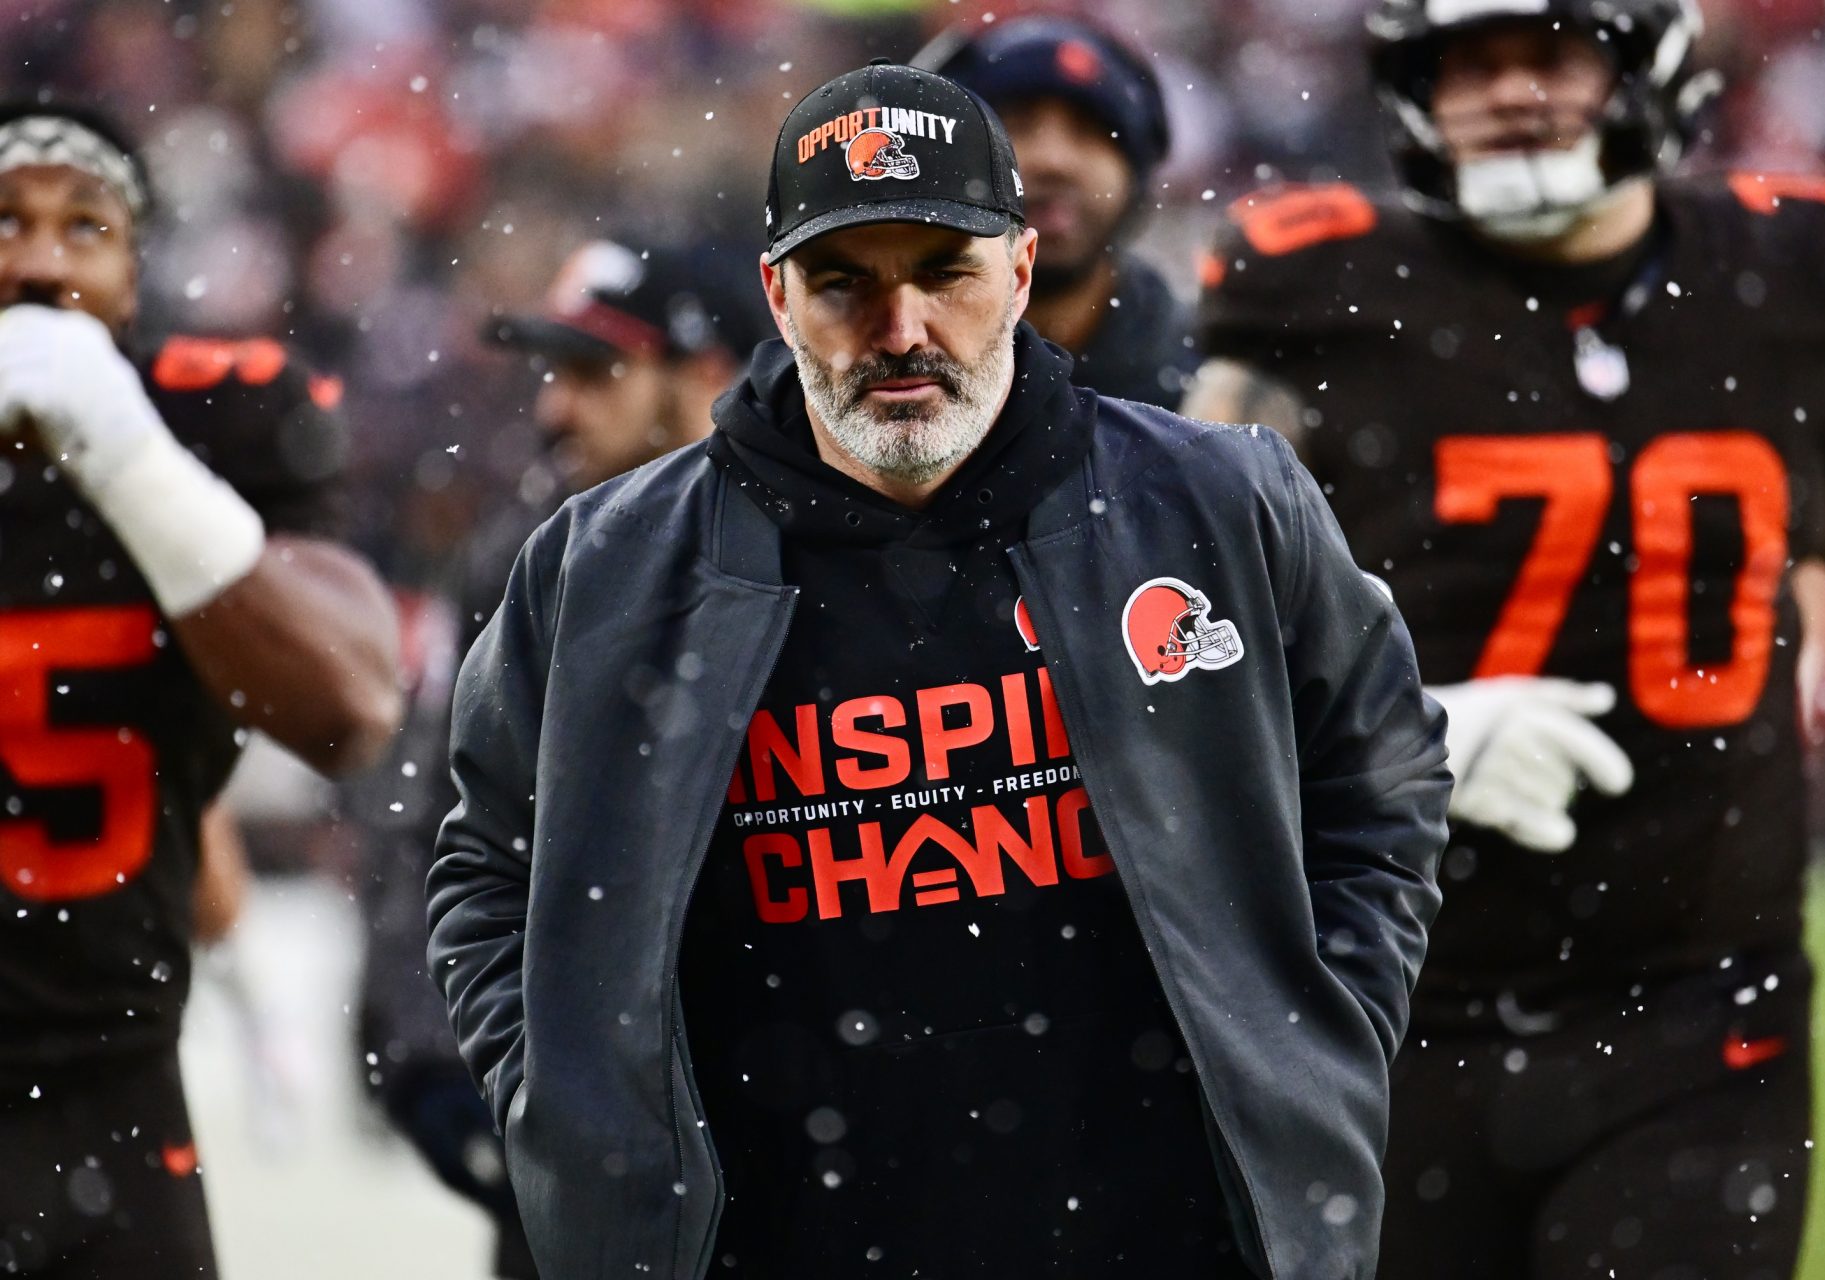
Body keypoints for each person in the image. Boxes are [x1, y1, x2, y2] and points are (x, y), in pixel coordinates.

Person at [429, 60, 1450, 1280]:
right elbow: (488, 862)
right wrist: (569, 1102)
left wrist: (1320, 1033)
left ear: (1020, 270)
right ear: (778, 294)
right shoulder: (603, 569)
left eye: (944, 272)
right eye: (845, 282)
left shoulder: (1219, 502)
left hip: (1166, 1237)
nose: (900, 330)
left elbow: (1383, 772)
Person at [1184, 0, 1825, 1273]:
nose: (1511, 92)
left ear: (1648, 62)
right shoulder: (1320, 295)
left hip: (1699, 1002)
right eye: (1468, 62)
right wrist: (1417, 736)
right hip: (1392, 994)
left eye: (1551, 54)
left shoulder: (1789, 278)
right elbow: (1186, 625)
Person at [0, 98, 402, 1275]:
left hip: (106, 1080)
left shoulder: (208, 423)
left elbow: (349, 710)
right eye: (6, 221)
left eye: (85, 226)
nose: (38, 257)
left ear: (133, 282)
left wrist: (124, 453)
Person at [352, 234, 764, 1280]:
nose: (554, 409)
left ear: (706, 372)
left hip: (795, 1110)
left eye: (595, 372)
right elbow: (427, 815)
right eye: (554, 373)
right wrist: (432, 1054)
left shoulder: (808, 546)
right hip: (584, 1128)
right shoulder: (522, 556)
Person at [915, 17, 1198, 407]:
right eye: (1015, 124)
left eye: (1091, 131)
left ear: (1136, 177)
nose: (1054, 161)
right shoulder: (847, 369)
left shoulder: (1207, 382)